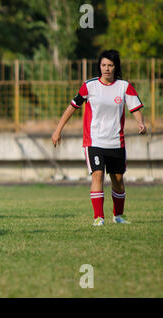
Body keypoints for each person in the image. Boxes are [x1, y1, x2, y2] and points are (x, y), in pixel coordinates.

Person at [51, 50, 146, 226]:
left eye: (110, 65)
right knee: (97, 175)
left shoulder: (124, 86)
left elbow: (135, 109)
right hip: (94, 141)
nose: (106, 69)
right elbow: (72, 107)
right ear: (99, 67)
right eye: (103, 65)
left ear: (115, 67)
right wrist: (58, 130)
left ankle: (118, 215)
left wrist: (141, 123)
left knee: (118, 180)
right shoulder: (89, 86)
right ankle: (98, 218)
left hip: (116, 142)